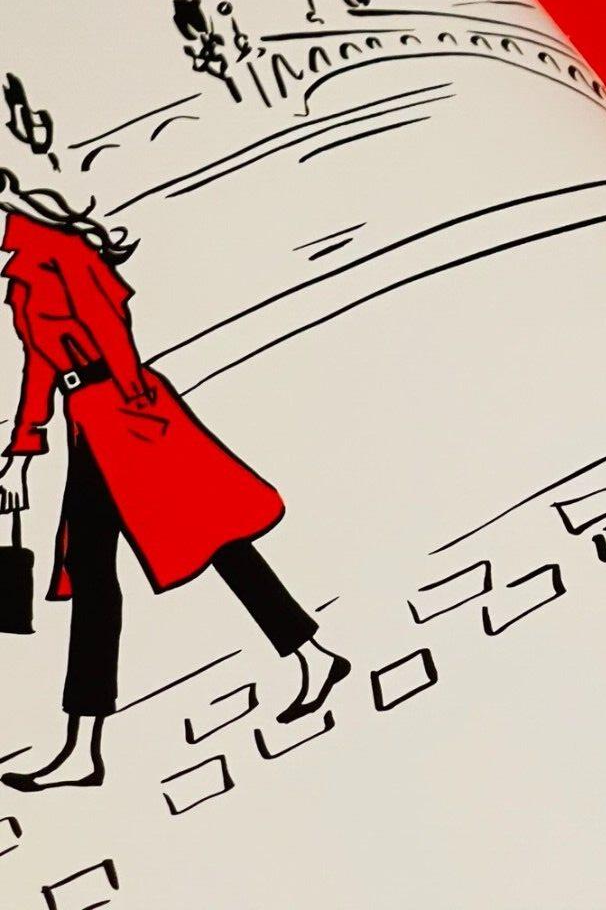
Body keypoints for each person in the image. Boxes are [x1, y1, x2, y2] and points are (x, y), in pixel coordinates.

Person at [0, 167, 348, 791]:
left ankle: (84, 749)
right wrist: (23, 450)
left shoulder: (59, 253)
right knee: (125, 565)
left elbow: (111, 328)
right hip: (94, 422)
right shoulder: (25, 268)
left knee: (189, 545)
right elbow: (39, 365)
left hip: (127, 419)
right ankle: (311, 656)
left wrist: (134, 408)